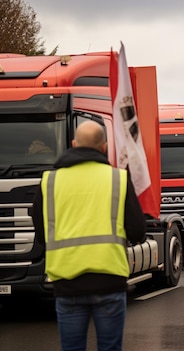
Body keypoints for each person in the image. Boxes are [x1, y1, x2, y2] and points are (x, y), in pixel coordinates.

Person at [31, 120, 146, 351]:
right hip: (110, 280)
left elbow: (42, 235)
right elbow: (137, 232)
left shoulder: (50, 182)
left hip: (67, 283)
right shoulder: (118, 180)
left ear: (73, 145)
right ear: (104, 147)